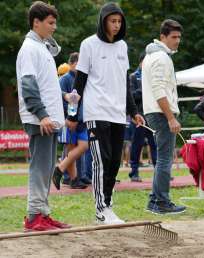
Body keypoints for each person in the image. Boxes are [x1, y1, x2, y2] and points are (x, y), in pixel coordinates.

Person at [67, 2, 144, 224]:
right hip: (96, 111)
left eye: (119, 21)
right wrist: (73, 115)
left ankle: (108, 205)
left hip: (118, 113)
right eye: (112, 21)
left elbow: (125, 84)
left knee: (114, 163)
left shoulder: (122, 47)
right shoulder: (88, 45)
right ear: (103, 21)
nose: (116, 25)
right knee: (102, 160)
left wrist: (134, 111)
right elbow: (78, 84)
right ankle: (101, 208)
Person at [17, 1, 71, 231]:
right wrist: (42, 115)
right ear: (36, 22)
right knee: (39, 169)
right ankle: (33, 216)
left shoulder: (42, 47)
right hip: (40, 120)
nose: (54, 27)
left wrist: (64, 96)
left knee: (47, 169)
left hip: (49, 119)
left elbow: (45, 86)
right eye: (50, 23)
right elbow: (28, 87)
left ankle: (43, 213)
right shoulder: (29, 48)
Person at [142, 19, 186, 214]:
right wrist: (170, 117)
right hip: (160, 113)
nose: (177, 41)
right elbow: (159, 89)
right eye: (174, 37)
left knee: (163, 158)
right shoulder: (161, 57)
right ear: (163, 37)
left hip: (156, 111)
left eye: (179, 37)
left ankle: (155, 199)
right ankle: (161, 201)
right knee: (164, 159)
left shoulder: (154, 56)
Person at [52, 52, 88, 190]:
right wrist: (70, 116)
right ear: (73, 63)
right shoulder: (65, 79)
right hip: (68, 119)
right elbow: (61, 98)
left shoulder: (83, 78)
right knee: (73, 148)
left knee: (81, 147)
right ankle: (72, 178)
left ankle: (61, 170)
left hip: (81, 119)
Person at [129, 52, 158, 182]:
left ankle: (159, 172)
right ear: (141, 62)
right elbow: (131, 96)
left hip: (152, 115)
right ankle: (134, 172)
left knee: (155, 143)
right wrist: (144, 90)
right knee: (137, 144)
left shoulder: (153, 77)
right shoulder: (133, 77)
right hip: (138, 116)